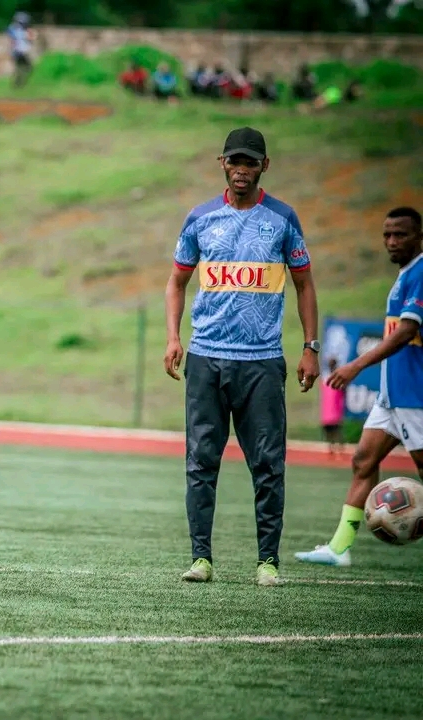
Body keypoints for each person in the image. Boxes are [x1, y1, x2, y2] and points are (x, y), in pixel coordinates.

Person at [164, 126, 320, 587]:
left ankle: (267, 561)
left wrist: (310, 347)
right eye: (234, 161)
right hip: (206, 359)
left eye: (250, 162)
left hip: (262, 362)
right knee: (200, 462)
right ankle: (201, 559)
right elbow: (176, 282)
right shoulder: (200, 218)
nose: (241, 169)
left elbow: (304, 284)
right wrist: (173, 338)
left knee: (268, 465)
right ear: (223, 163)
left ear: (264, 166)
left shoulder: (283, 219)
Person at [296, 207, 423, 567]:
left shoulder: (421, 273)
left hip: (415, 396)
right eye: (386, 234)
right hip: (392, 397)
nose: (391, 241)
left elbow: (406, 333)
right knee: (363, 460)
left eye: (400, 234)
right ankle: (339, 548)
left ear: (419, 237)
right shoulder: (405, 274)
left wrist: (355, 365)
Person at [320, 357, 345, 454]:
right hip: (327, 409)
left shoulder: (339, 377)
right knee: (328, 430)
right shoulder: (325, 378)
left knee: (336, 429)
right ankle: (331, 446)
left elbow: (343, 390)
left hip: (336, 408)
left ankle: (339, 446)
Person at [7, 11, 34, 88]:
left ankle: (18, 83)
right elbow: (25, 39)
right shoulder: (18, 30)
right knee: (25, 67)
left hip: (18, 51)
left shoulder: (13, 28)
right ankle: (18, 83)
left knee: (21, 67)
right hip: (20, 51)